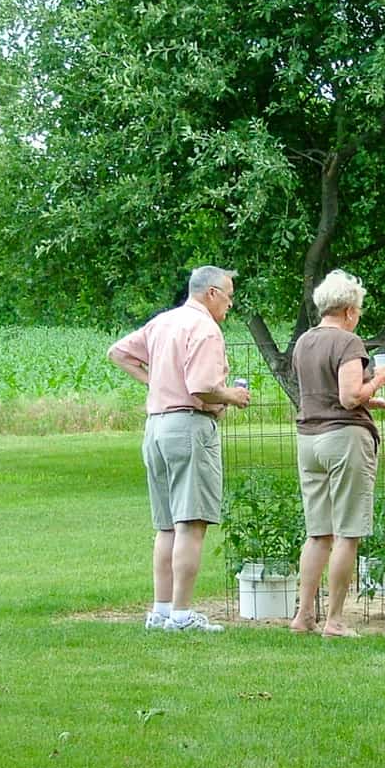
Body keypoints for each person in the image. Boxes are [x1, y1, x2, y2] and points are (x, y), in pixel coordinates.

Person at [107, 265, 251, 632]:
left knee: (167, 525)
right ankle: (183, 614)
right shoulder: (204, 328)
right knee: (191, 523)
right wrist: (231, 396)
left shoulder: (162, 322)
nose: (230, 304)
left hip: (156, 426)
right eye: (229, 296)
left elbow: (119, 353)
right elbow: (202, 385)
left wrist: (154, 381)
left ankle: (161, 610)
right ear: (212, 293)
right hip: (189, 425)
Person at [289, 269, 385, 637]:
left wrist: (378, 402)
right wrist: (379, 378)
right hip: (344, 439)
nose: (358, 316)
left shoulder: (304, 342)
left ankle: (302, 617)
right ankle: (335, 620)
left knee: (318, 533)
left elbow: (325, 392)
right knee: (348, 532)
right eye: (358, 310)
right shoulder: (349, 343)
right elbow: (347, 398)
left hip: (309, 439)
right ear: (348, 310)